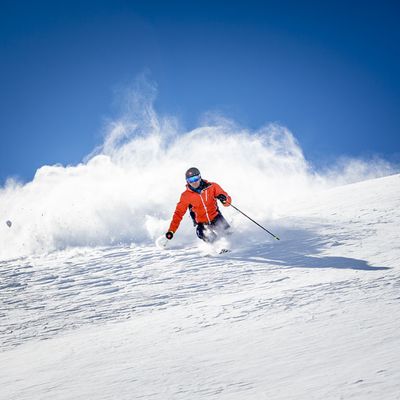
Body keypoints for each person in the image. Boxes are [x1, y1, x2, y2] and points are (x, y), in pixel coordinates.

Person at [165, 167, 232, 243]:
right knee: (206, 234)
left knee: (229, 234)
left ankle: (232, 247)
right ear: (187, 181)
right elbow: (178, 214)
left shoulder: (212, 187)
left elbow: (227, 202)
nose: (194, 182)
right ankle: (217, 248)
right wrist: (171, 230)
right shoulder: (186, 196)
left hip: (216, 218)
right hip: (202, 224)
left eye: (195, 178)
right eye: (191, 180)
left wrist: (224, 199)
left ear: (200, 177)